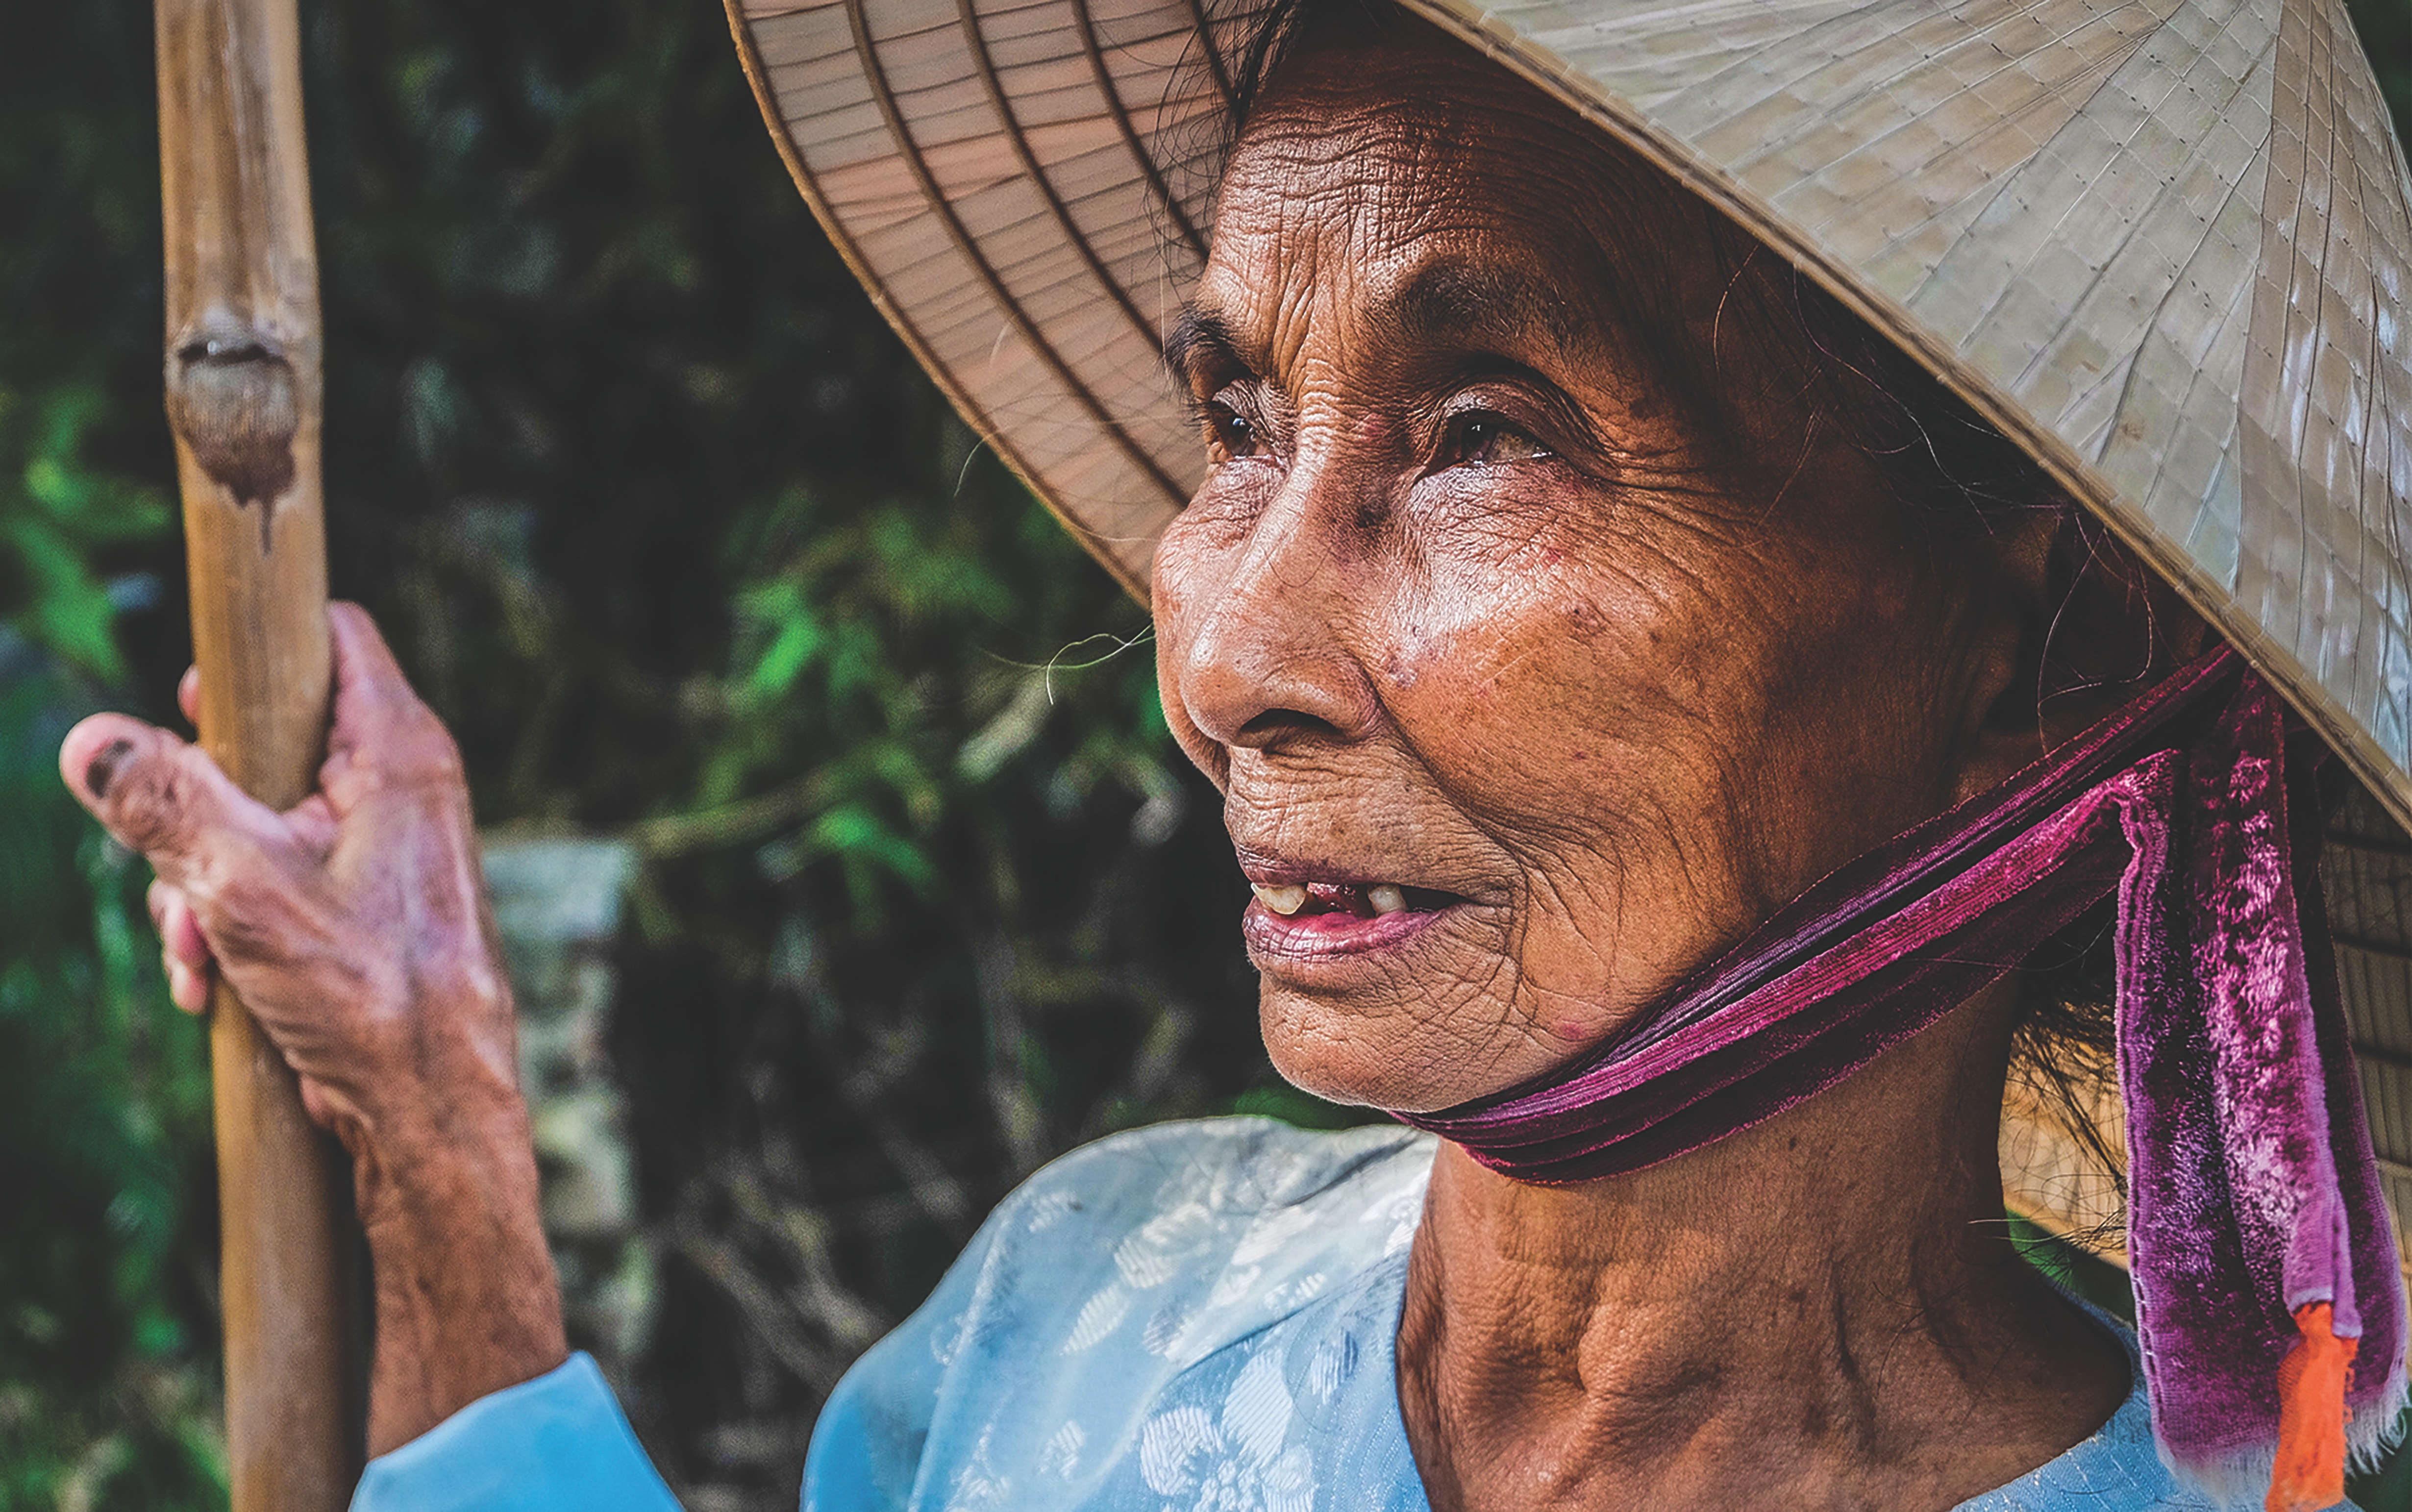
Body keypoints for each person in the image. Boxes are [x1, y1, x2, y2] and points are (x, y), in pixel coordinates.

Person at [55, 0, 2412, 1508]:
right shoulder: (1086, 1307)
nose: (1224, 652)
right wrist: (439, 1121)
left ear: (2051, 640)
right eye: (1236, 416)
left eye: (1482, 435)